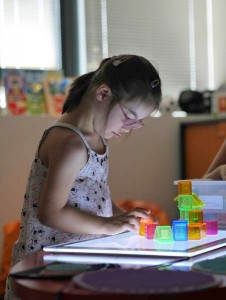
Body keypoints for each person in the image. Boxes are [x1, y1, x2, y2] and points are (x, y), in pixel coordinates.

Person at [5, 54, 162, 299]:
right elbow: (51, 212)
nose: (128, 128)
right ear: (102, 93)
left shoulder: (96, 138)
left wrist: (123, 217)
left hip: (75, 261)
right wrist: (107, 225)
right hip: (46, 271)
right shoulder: (70, 143)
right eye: (129, 117)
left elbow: (93, 194)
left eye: (137, 123)